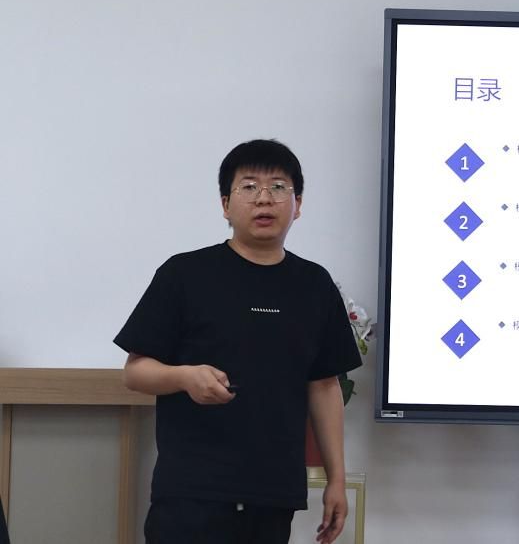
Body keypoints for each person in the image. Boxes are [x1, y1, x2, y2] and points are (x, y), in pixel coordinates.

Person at [115, 139, 362, 543]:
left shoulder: (315, 285)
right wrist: (185, 377)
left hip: (273, 495)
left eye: (278, 187)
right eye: (249, 187)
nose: (264, 198)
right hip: (191, 493)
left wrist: (336, 479)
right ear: (226, 205)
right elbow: (134, 372)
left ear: (298, 205)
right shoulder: (184, 274)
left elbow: (324, 385)